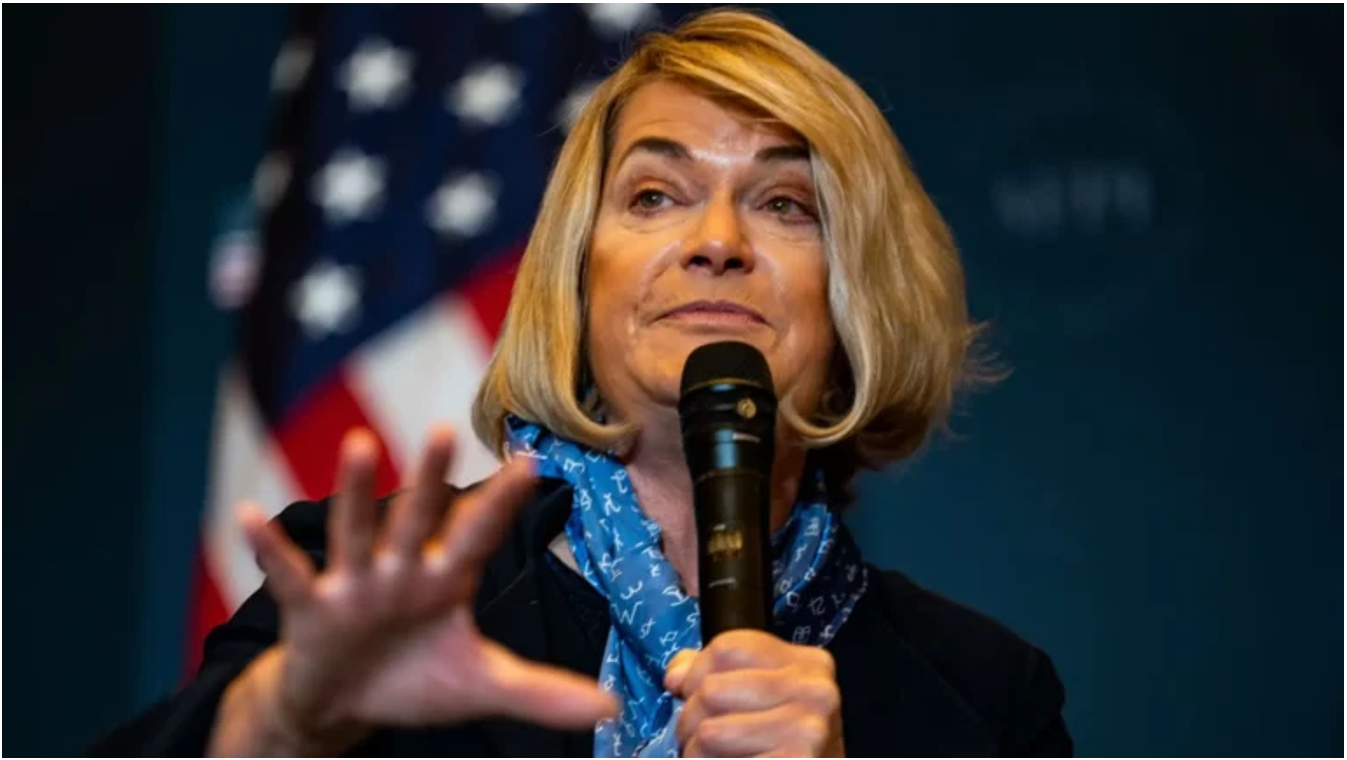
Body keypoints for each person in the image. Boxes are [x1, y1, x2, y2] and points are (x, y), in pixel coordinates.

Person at [93, 8, 1072, 758]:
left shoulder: (982, 694)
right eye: (655, 195)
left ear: (858, 293)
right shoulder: (380, 589)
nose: (718, 242)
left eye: (784, 203)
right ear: (578, 276)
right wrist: (285, 716)